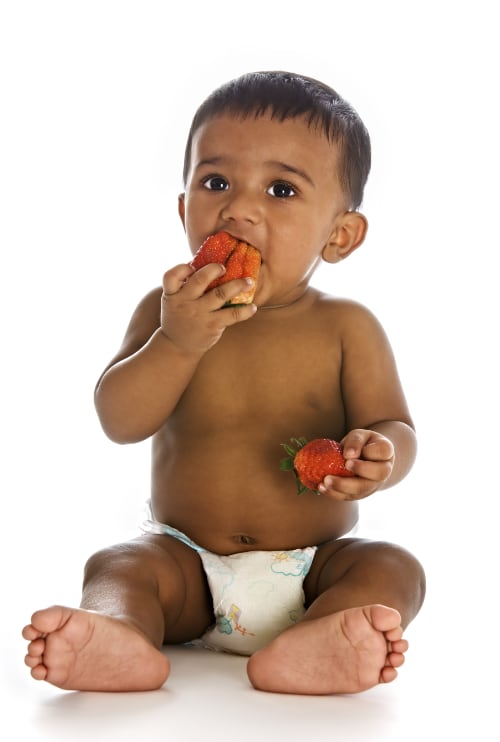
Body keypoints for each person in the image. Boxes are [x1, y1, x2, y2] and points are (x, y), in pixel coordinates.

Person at [22, 70, 426, 695]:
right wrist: (176, 343)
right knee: (119, 565)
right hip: (186, 564)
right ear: (185, 208)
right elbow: (119, 420)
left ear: (340, 235)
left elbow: (392, 424)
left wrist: (380, 455)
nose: (239, 208)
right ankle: (118, 633)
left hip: (314, 565)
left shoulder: (348, 327)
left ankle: (319, 638)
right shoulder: (166, 312)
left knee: (394, 567)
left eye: (282, 189)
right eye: (216, 183)